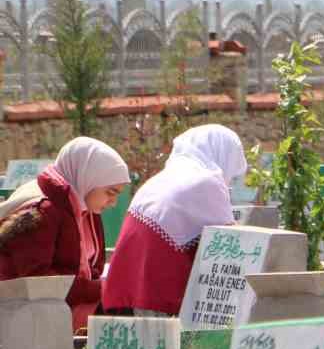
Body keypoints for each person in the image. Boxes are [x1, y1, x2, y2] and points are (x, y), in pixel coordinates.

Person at [103, 124, 245, 317]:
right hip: (157, 291)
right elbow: (229, 245)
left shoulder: (165, 178)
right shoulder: (207, 181)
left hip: (128, 285)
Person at [0, 137, 129, 330]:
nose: (113, 202)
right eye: (110, 192)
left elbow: (92, 268)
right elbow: (39, 281)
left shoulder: (83, 206)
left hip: (60, 308)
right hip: (22, 322)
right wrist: (100, 289)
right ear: (88, 177)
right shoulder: (42, 210)